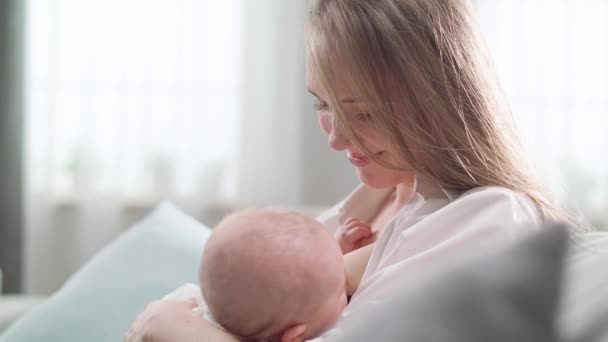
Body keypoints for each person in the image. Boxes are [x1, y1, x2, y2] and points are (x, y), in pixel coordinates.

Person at [125, 0, 586, 341]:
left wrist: (171, 326)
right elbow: (238, 296)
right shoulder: (392, 200)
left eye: (361, 113)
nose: (335, 138)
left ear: (441, 101)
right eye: (321, 104)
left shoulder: (486, 215)